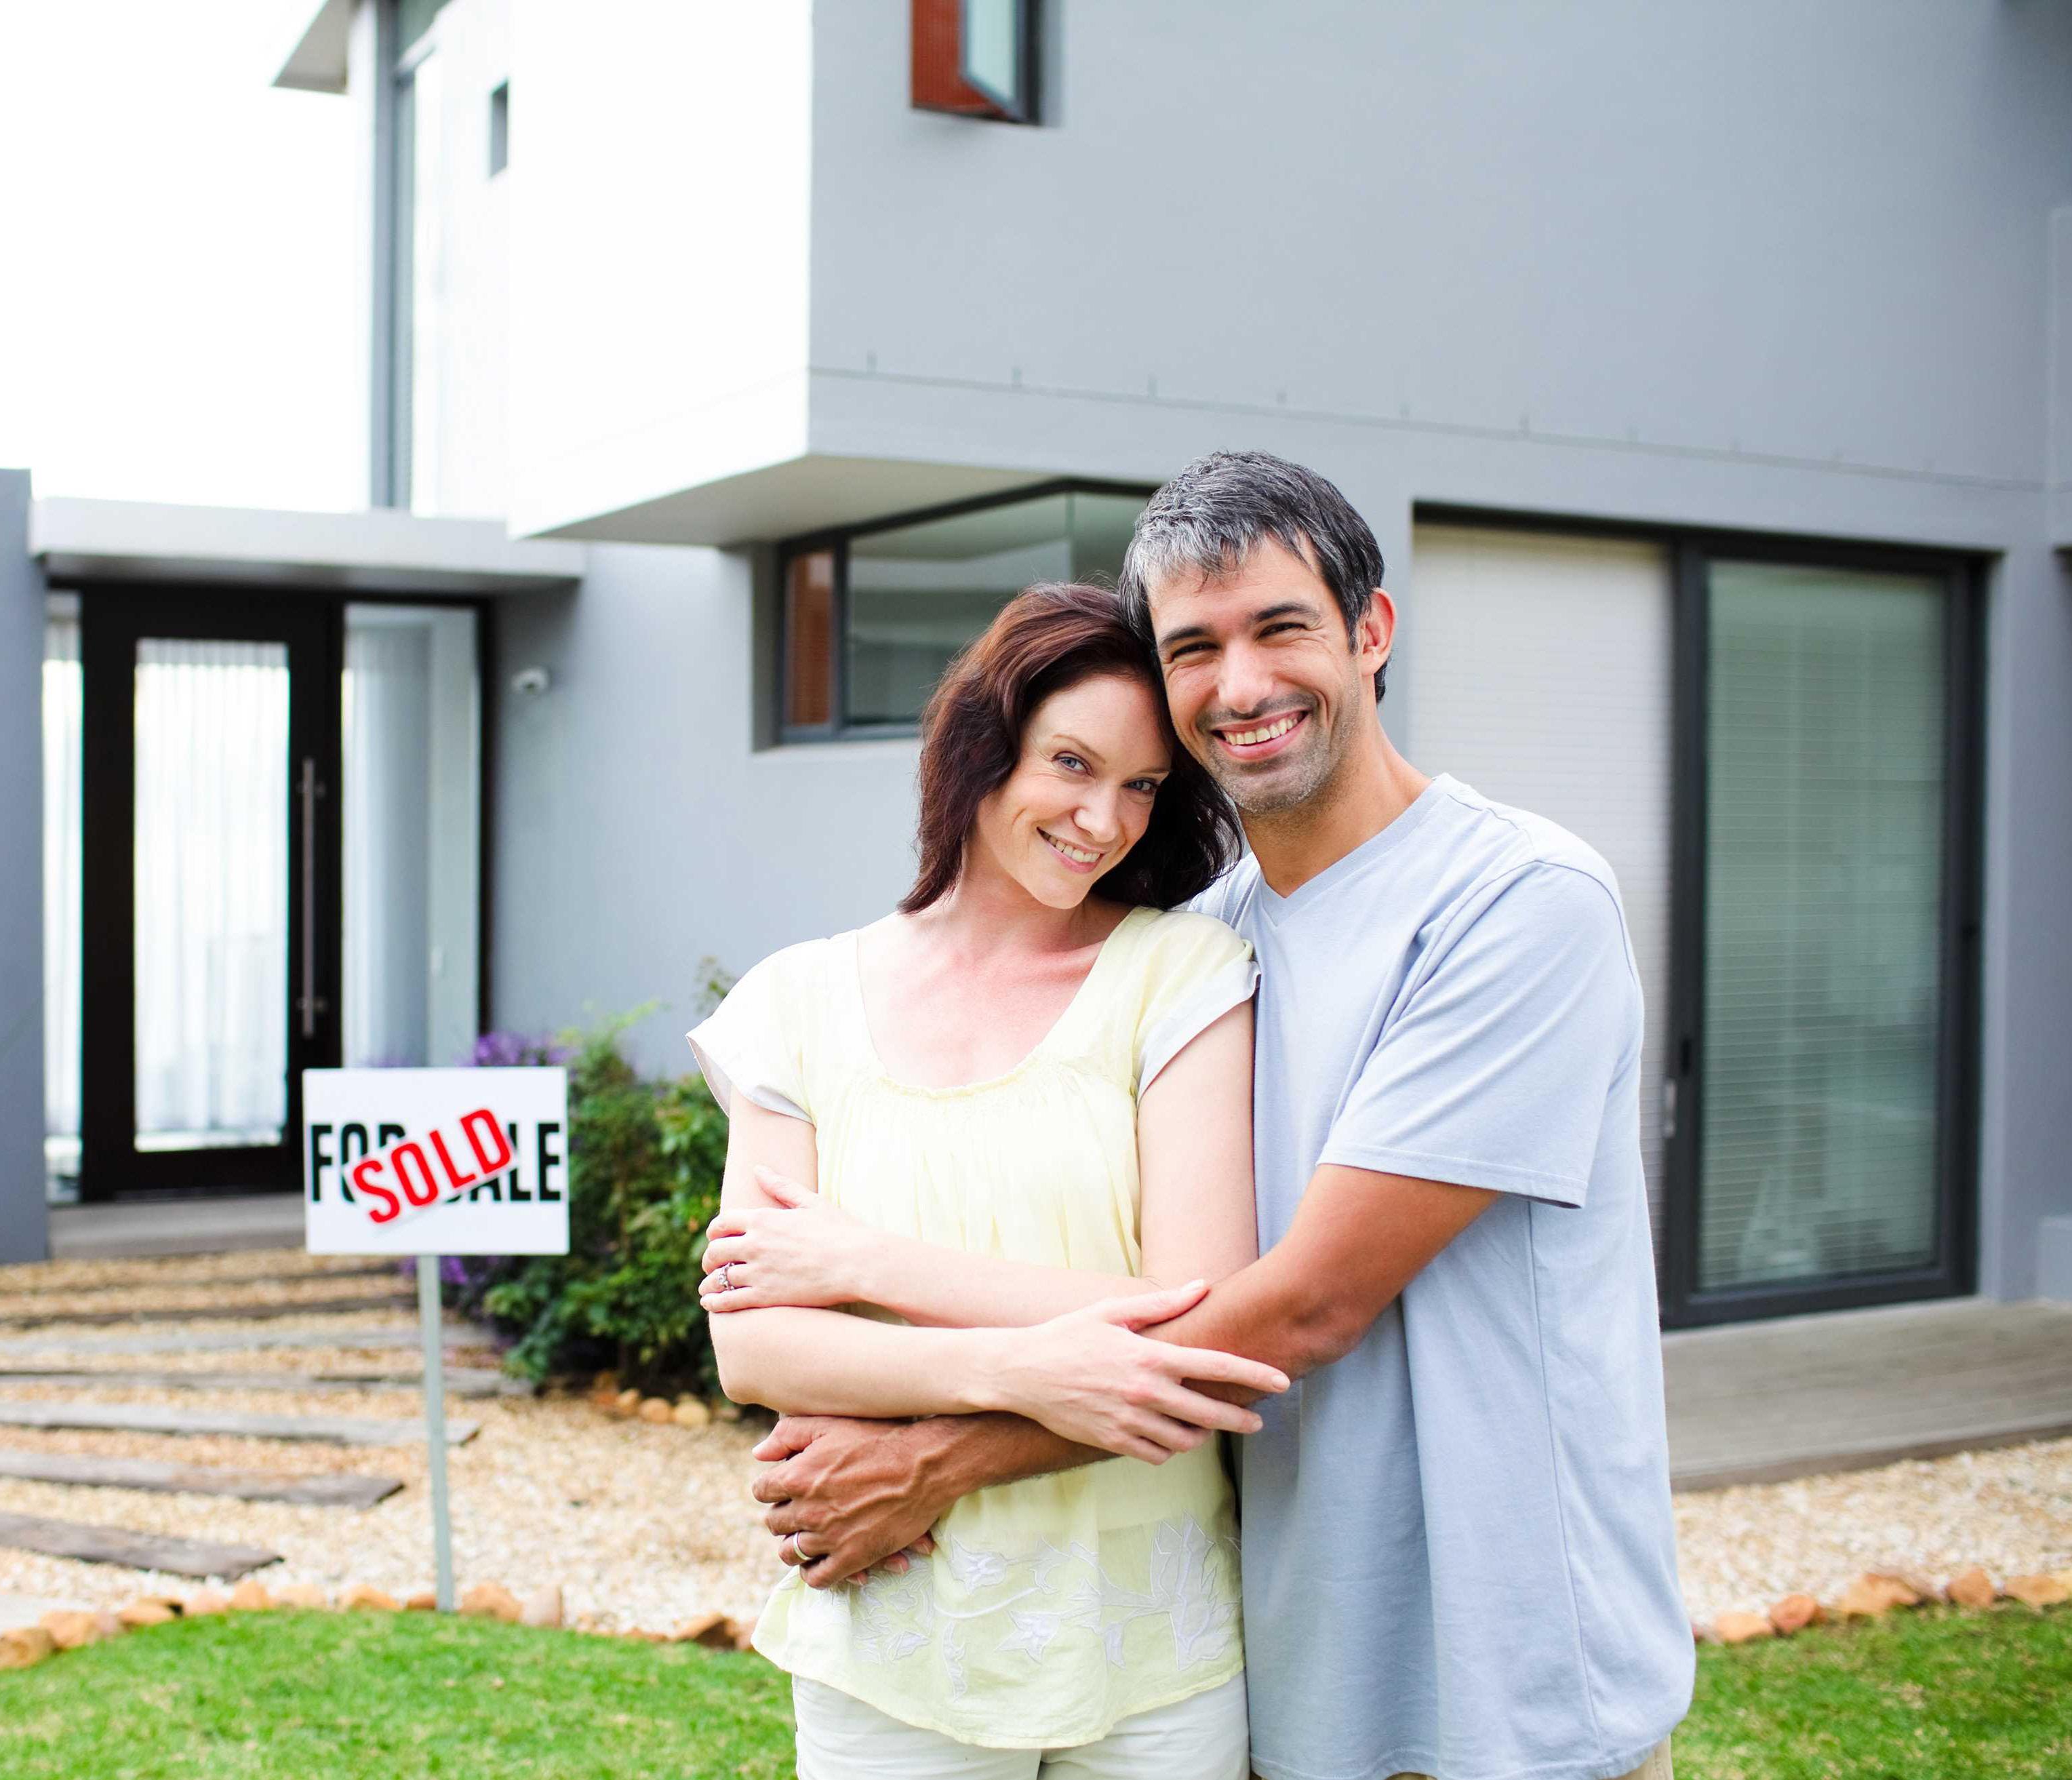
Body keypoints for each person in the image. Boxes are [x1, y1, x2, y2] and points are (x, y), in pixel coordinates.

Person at [743, 452, 1694, 1780]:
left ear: (1372, 631)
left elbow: (1307, 1305)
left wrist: (937, 1458)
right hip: (1302, 1673)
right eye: (1193, 646)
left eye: (1280, 627)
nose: (1239, 685)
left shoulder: (1518, 903)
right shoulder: (1202, 947)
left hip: (1517, 1676)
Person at [686, 582, 1290, 1777]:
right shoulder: (796, 1002)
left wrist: (867, 1265)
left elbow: (1199, 1321)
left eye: (1143, 785)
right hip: (894, 1615)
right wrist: (1016, 1368)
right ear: (979, 747)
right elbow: (756, 1347)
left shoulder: (1183, 973)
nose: (1104, 819)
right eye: (1072, 763)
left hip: (1152, 1639)